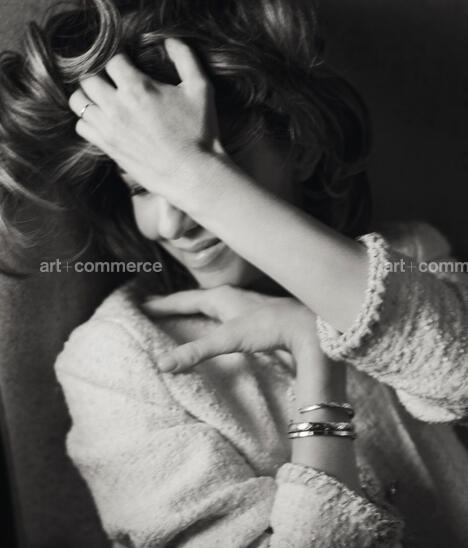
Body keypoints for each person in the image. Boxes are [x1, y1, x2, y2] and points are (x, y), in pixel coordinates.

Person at [1, 0, 467, 546]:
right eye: (142, 186)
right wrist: (313, 356)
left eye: (211, 165)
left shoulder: (412, 252)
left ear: (300, 146)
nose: (172, 221)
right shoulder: (116, 361)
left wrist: (194, 173)